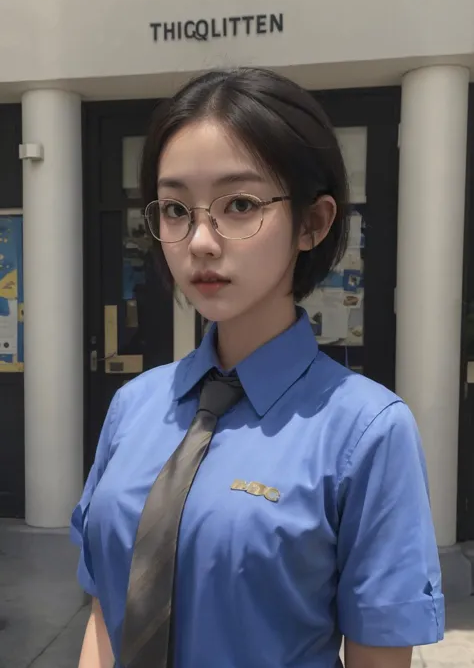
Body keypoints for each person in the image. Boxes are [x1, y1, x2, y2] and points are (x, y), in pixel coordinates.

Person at [71, 67, 444, 668]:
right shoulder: (134, 406)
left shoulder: (367, 430)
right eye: (174, 208)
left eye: (239, 204)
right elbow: (105, 611)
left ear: (313, 223)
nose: (199, 241)